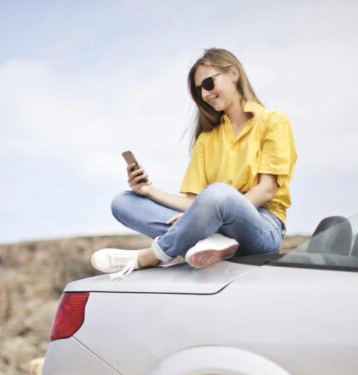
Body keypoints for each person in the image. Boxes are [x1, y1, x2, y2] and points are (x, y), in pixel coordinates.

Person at [92, 48, 297, 279]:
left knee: (219, 194)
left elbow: (267, 189)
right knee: (123, 202)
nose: (205, 94)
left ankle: (153, 255)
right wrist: (148, 191)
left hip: (262, 225)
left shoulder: (273, 121)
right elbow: (193, 202)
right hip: (212, 221)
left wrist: (207, 213)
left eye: (208, 84)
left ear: (233, 73)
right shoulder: (207, 139)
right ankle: (208, 240)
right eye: (199, 91)